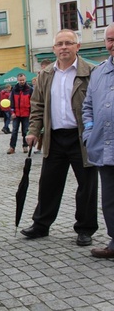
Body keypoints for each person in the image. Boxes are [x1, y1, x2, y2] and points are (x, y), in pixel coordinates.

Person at [21, 29, 99, 246]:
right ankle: (41, 224)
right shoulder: (45, 75)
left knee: (87, 185)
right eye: (59, 44)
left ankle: (85, 229)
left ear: (77, 46)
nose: (64, 47)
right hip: (55, 137)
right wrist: (34, 131)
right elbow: (37, 106)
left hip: (82, 136)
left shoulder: (91, 72)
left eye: (68, 43)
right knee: (48, 183)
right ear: (54, 48)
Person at [82, 22, 114, 258]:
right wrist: (89, 133)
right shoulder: (99, 72)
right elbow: (88, 106)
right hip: (104, 147)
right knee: (110, 200)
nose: (113, 44)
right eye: (110, 39)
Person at [6, 73, 33, 154]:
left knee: (25, 131)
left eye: (23, 80)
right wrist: (12, 112)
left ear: (25, 79)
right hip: (16, 114)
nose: (22, 81)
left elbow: (32, 102)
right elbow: (12, 102)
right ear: (17, 80)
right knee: (14, 131)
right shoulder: (14, 89)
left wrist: (31, 113)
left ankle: (25, 146)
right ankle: (12, 147)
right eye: (20, 80)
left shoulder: (30, 89)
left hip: (26, 114)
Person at [33, 59, 52, 155]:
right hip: (43, 110)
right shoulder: (41, 77)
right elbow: (36, 101)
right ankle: (39, 147)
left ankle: (42, 147)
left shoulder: (52, 75)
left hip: (51, 112)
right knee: (41, 131)